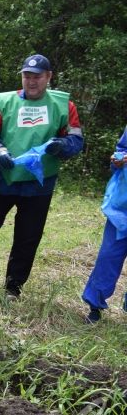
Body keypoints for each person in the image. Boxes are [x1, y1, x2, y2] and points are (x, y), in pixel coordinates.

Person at [0, 54, 84, 298]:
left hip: (39, 184)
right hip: (3, 178)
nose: (31, 82)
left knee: (27, 237)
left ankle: (13, 287)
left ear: (48, 77)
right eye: (26, 76)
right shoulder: (3, 101)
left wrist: (62, 145)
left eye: (37, 77)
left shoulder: (64, 105)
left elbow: (76, 140)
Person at [82, 124, 127, 323]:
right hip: (121, 207)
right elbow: (121, 150)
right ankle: (95, 306)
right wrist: (117, 160)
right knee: (109, 257)